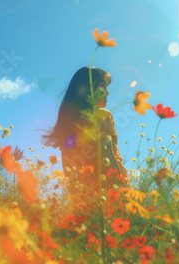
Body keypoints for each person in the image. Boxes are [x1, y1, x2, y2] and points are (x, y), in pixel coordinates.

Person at [42, 67, 129, 199]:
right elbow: (108, 155)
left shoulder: (67, 127)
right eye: (103, 86)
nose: (107, 92)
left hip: (81, 199)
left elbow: (68, 171)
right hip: (110, 193)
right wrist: (122, 190)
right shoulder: (101, 115)